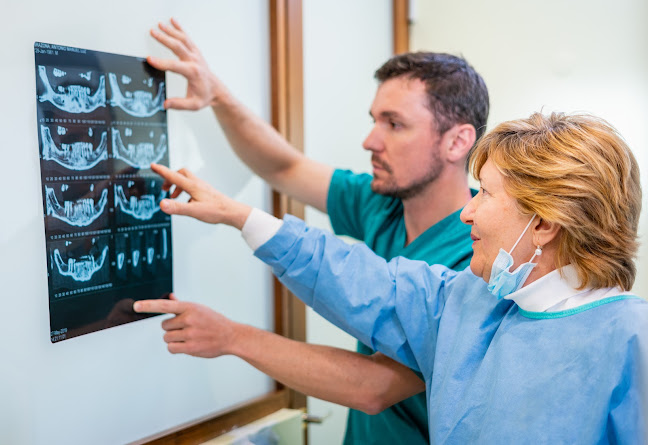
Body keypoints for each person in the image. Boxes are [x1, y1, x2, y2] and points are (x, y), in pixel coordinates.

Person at [135, 112, 647, 443]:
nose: (468, 214)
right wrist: (242, 217)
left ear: (544, 223)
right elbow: (362, 282)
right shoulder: (467, 304)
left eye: (486, 195)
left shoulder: (631, 343)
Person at [144, 19, 489, 444]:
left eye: (393, 124)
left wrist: (231, 337)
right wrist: (219, 95)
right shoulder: (379, 203)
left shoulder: (479, 254)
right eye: (374, 120)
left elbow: (373, 387)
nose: (370, 140)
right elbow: (284, 166)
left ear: (457, 142)